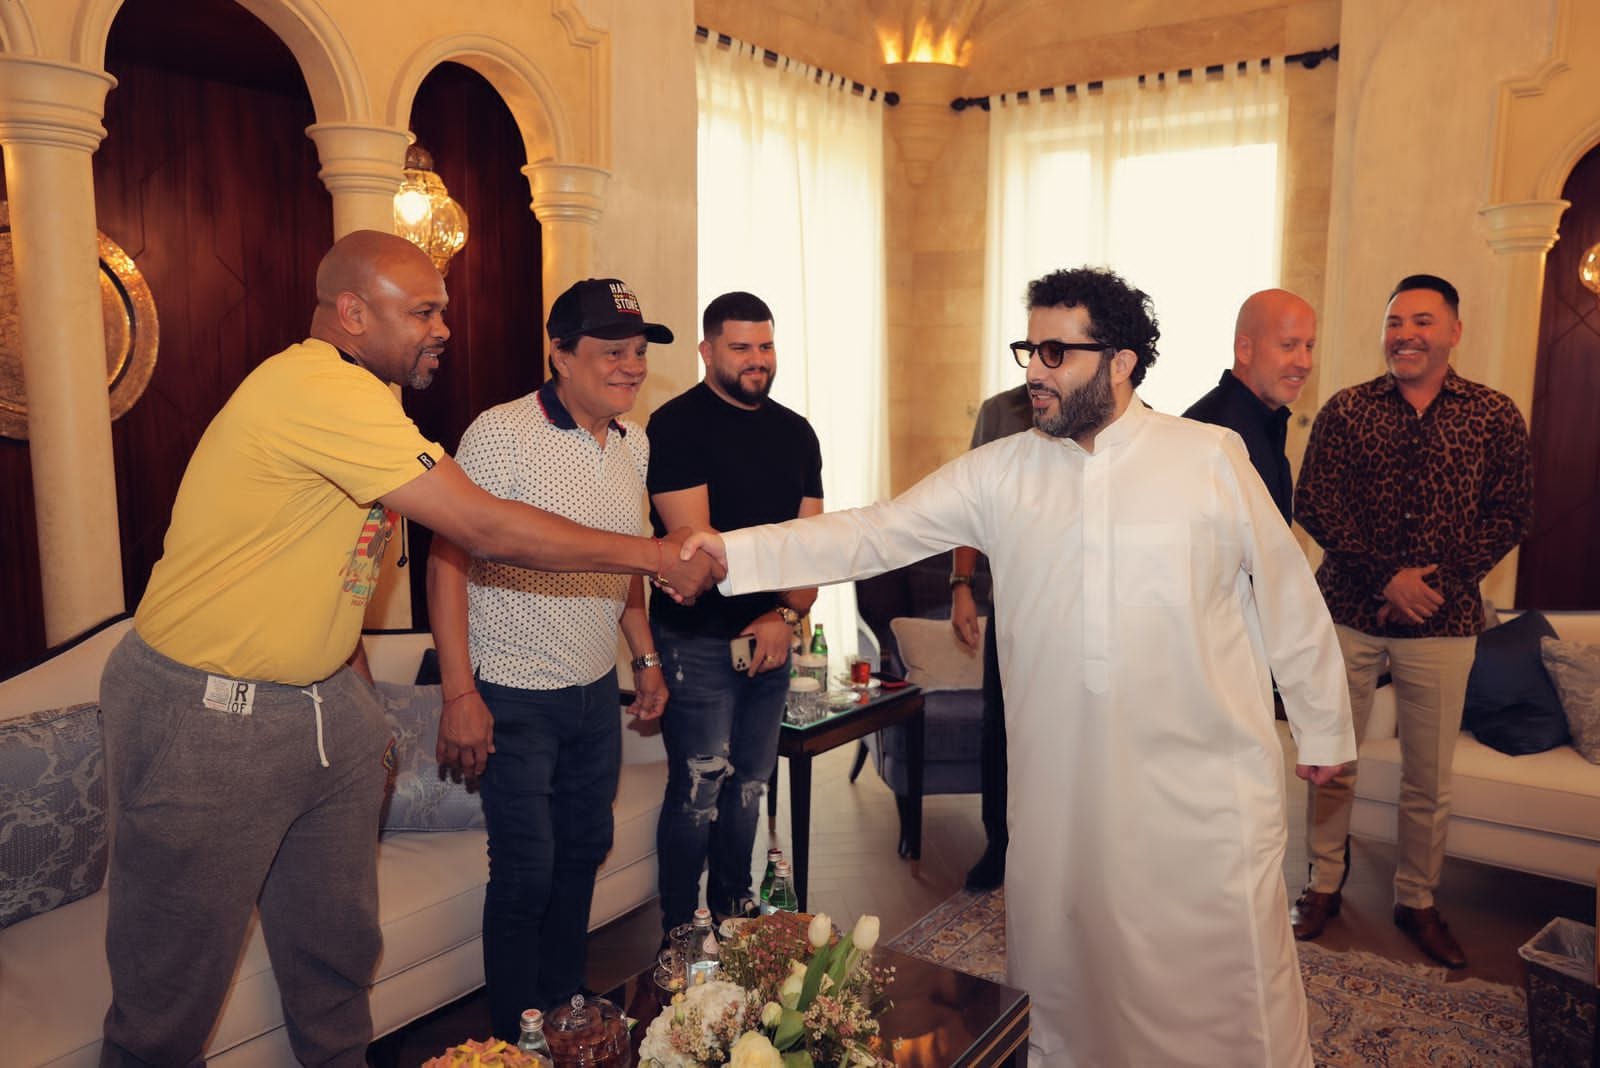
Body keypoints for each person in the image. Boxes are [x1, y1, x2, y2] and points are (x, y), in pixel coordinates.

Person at [683, 266, 1356, 1067]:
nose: (1034, 371)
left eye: (1055, 352)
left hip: (1199, 780)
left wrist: (1322, 723)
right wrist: (732, 553)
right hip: (1062, 783)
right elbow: (873, 532)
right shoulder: (1002, 472)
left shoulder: (1208, 457)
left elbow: (1286, 590)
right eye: (1028, 350)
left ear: (1121, 362)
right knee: (1074, 959)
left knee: (1216, 973)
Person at [96, 231, 717, 1067]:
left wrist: (355, 698)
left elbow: (333, 569)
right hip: (210, 714)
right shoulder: (317, 388)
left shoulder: (374, 406)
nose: (443, 329)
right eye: (423, 312)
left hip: (321, 707)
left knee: (334, 955)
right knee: (168, 994)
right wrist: (655, 554)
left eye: (443, 311)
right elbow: (482, 529)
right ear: (352, 313)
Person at [427, 278, 673, 1038]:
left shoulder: (634, 443)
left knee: (584, 848)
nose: (632, 367)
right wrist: (459, 693)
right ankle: (515, 1037)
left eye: (639, 352)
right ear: (561, 355)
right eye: (613, 352)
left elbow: (625, 561)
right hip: (512, 692)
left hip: (594, 691)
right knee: (526, 869)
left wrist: (644, 658)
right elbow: (446, 560)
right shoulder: (501, 434)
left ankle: (565, 1004)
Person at [1292, 274, 1533, 967]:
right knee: (1332, 760)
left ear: (1454, 332)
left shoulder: (1493, 415)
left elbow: (1511, 513)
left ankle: (1417, 900)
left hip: (1444, 624)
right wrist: (1386, 579)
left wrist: (1434, 587)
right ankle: (1323, 883)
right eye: (1395, 322)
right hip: (1348, 613)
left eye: (1422, 321)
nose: (1405, 334)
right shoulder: (1346, 409)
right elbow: (1316, 502)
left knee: (1428, 779)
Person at [647, 291, 824, 932]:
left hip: (771, 639)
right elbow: (699, 562)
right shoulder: (675, 426)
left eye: (766, 345)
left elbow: (809, 557)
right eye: (741, 347)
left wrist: (782, 616)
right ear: (707, 351)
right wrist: (778, 595)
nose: (758, 359)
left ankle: (733, 913)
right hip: (695, 640)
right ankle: (679, 930)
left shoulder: (797, 433)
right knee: (699, 787)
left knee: (750, 784)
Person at [947, 382, 1031, 890]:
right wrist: (962, 585)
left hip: (1091, 617)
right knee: (999, 728)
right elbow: (970, 507)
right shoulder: (1002, 412)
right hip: (1012, 608)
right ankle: (998, 844)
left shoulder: (1130, 418)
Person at [1183, 288, 1317, 523]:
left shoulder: (1267, 420)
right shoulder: (1211, 431)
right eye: (1288, 345)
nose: (1304, 363)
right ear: (1245, 350)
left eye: (1309, 346)